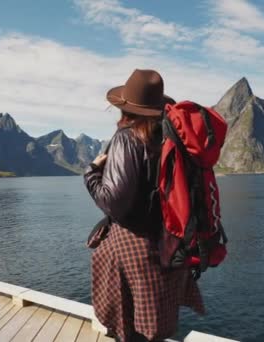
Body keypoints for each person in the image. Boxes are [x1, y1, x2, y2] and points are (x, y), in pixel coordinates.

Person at [84, 69, 205, 342]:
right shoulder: (173, 139)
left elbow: (115, 203)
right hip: (171, 245)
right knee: (156, 328)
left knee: (130, 331)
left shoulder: (127, 138)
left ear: (125, 109)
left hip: (135, 251)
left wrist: (91, 173)